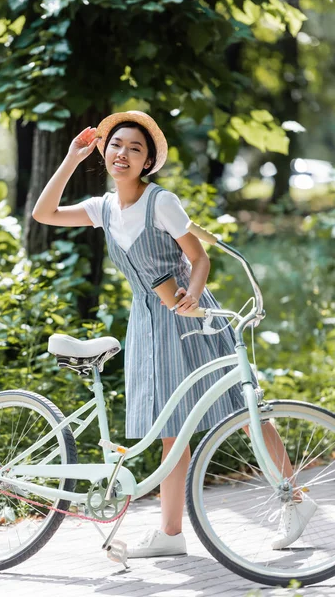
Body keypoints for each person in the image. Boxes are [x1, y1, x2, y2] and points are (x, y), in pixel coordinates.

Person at [32, 110, 316, 557]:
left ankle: (295, 500)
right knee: (171, 430)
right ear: (104, 151)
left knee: (242, 410)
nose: (122, 153)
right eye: (116, 145)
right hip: (148, 323)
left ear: (148, 162)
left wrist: (192, 296)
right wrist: (71, 158)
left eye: (135, 148)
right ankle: (170, 534)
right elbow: (43, 212)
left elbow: (199, 259)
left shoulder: (161, 201)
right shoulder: (103, 208)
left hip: (191, 317)